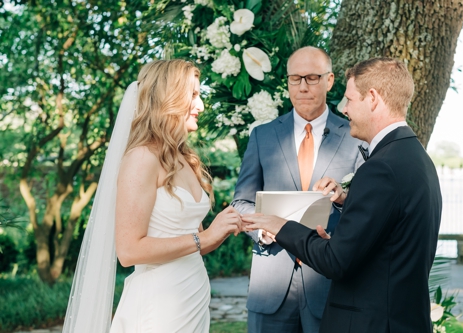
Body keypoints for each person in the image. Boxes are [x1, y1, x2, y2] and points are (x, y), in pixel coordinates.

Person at [241, 57, 443, 331]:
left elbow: (336, 261)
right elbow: (383, 243)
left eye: (349, 99)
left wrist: (281, 225)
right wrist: (337, 237)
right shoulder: (415, 156)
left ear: (372, 98)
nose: (344, 108)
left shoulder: (381, 167)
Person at [63, 59, 245, 332]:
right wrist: (205, 237)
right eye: (193, 95)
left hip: (191, 297)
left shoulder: (185, 159)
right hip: (159, 307)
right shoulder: (142, 158)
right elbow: (128, 251)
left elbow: (194, 242)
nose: (201, 106)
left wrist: (222, 228)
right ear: (167, 98)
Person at [230, 46, 364, 332]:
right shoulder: (262, 136)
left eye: (312, 78)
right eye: (295, 79)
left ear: (329, 81)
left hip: (329, 283)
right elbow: (241, 202)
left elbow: (367, 207)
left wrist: (342, 197)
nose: (302, 87)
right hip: (271, 283)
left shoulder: (355, 137)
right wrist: (261, 228)